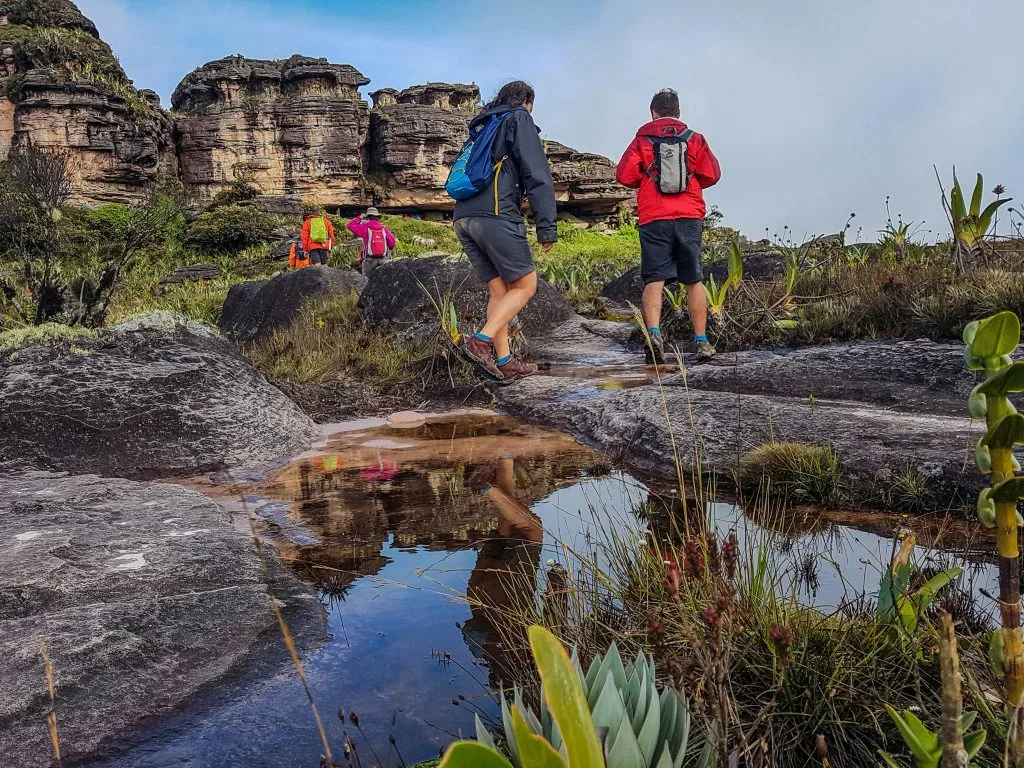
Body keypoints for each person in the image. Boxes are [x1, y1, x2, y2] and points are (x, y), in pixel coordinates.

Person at [453, 80, 557, 383]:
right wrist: (546, 226)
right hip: (495, 215)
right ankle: (480, 341)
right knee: (526, 285)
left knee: (499, 290)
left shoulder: (484, 125)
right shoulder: (518, 118)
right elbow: (536, 174)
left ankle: (504, 361)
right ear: (526, 101)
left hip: (463, 216)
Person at [615, 88, 722, 363]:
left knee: (654, 279)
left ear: (653, 113)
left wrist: (647, 175)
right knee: (693, 279)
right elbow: (712, 174)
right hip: (688, 216)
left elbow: (624, 175)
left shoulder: (642, 140)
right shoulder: (694, 139)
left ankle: (654, 336)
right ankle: (701, 341)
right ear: (678, 112)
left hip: (654, 218)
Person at [347, 206, 397, 278]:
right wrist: (388, 248)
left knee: (367, 280)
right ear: (378, 217)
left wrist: (360, 217)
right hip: (383, 259)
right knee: (385, 280)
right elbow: (392, 242)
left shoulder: (365, 227)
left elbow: (350, 226)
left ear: (368, 217)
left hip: (369, 259)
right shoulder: (383, 228)